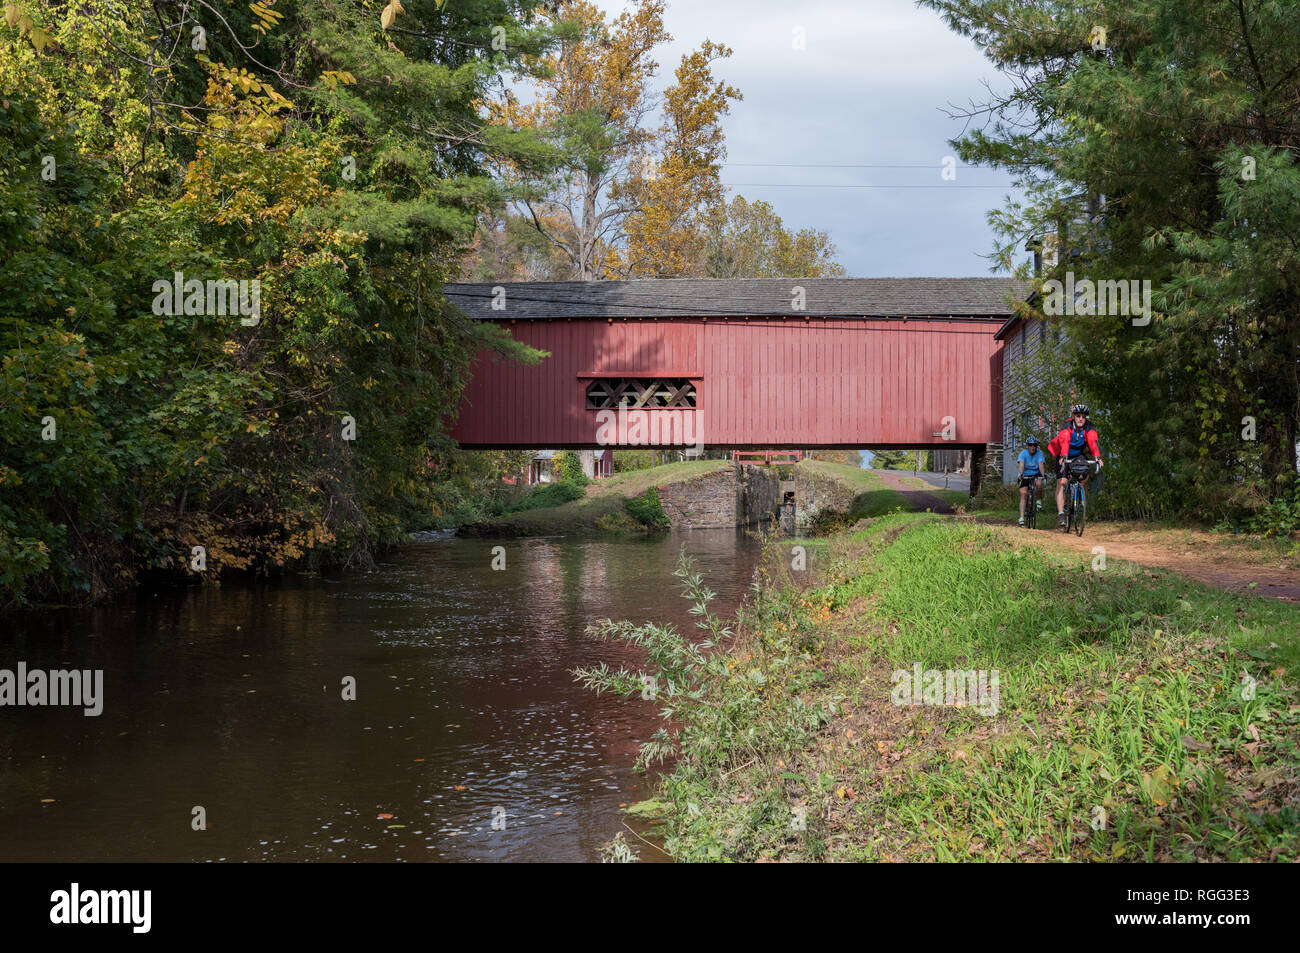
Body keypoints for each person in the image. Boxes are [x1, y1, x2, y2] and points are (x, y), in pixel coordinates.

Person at [1047, 404, 1104, 527]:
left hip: (1078, 454)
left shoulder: (1089, 427)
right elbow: (1065, 441)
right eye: (1078, 416)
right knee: (1062, 482)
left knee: (1085, 475)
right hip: (1063, 453)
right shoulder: (1067, 426)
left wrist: (1097, 457)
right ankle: (1061, 513)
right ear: (1073, 417)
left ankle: (1077, 493)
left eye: (1083, 417)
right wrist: (1063, 456)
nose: (1081, 419)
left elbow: (1092, 442)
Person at [1016, 437, 1046, 526]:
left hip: (1036, 473)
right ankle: (1021, 517)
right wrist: (1021, 474)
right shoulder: (1023, 453)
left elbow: (1040, 464)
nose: (1032, 447)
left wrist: (1043, 474)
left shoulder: (1040, 453)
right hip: (1025, 474)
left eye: (1034, 445)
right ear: (1027, 446)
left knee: (1039, 484)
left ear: (1036, 446)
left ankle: (1038, 500)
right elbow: (1021, 464)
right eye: (1030, 445)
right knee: (1023, 494)